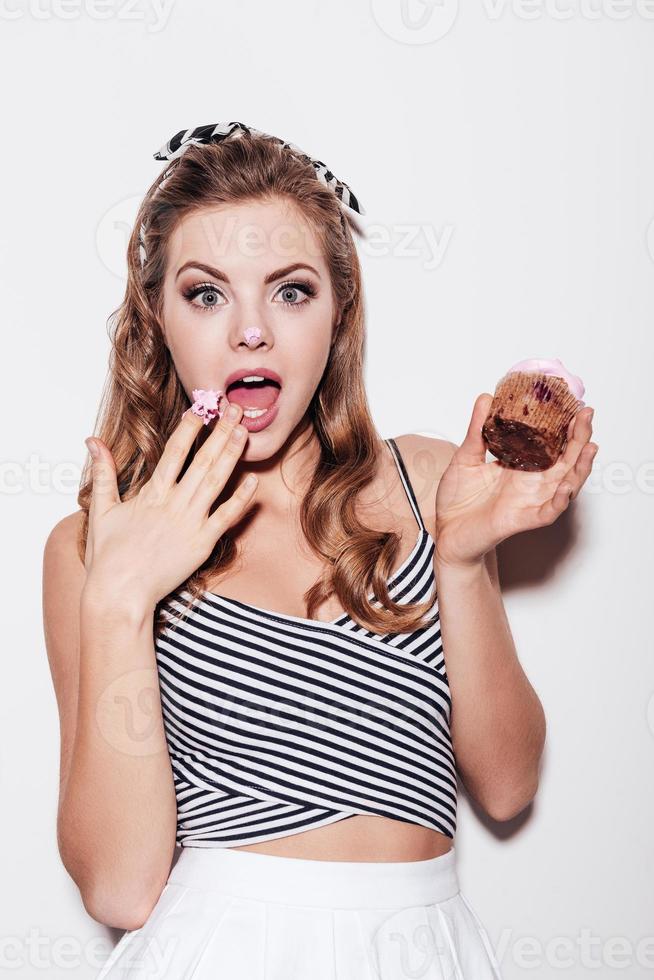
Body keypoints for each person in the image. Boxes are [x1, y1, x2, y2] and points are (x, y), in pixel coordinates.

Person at [42, 121, 597, 979]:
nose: (252, 332)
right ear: (158, 318)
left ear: (338, 315)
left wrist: (460, 560)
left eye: (291, 292)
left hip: (425, 949)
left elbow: (508, 786)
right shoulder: (95, 542)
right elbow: (119, 889)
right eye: (206, 294)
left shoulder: (429, 480)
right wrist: (120, 598)